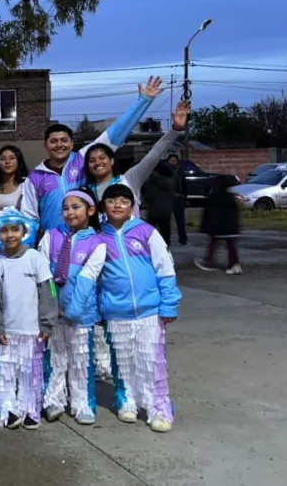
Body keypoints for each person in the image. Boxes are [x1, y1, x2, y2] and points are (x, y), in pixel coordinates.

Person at [25, 77, 162, 233]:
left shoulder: (84, 158)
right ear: (46, 145)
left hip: (87, 239)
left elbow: (117, 131)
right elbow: (29, 217)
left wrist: (143, 101)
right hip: (54, 242)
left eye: (64, 140)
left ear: (71, 143)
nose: (59, 145)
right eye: (53, 141)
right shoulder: (35, 177)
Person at [97, 184, 180, 433]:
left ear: (132, 206)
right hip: (115, 313)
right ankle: (126, 402)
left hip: (149, 311)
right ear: (103, 206)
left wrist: (168, 304)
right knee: (122, 361)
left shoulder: (146, 232)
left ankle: (159, 409)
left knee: (151, 360)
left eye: (124, 200)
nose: (118, 205)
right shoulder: (99, 236)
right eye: (112, 201)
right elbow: (95, 277)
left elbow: (165, 268)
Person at [0, 208, 57, 429]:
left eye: (15, 229)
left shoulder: (35, 258)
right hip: (7, 330)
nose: (10, 235)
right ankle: (8, 409)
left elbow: (49, 291)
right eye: (4, 230)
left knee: (31, 372)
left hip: (32, 329)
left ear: (24, 232)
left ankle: (31, 409)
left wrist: (47, 323)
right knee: (6, 371)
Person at [37, 190, 105, 425]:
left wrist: (73, 312)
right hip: (54, 313)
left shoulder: (97, 243)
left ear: (90, 210)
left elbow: (88, 280)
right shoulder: (51, 236)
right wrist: (51, 305)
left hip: (80, 315)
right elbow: (44, 274)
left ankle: (82, 403)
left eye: (76, 207)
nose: (70, 212)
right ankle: (53, 401)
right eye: (66, 208)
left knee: (80, 361)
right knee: (55, 358)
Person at [83, 100, 190, 216]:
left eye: (102, 158)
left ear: (112, 161)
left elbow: (153, 155)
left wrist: (174, 130)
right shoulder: (86, 192)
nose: (97, 162)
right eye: (92, 160)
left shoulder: (129, 180)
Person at [195, 175, 242, 275]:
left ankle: (208, 261)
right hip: (231, 227)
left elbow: (211, 213)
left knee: (213, 244)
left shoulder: (215, 197)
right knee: (231, 245)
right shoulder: (232, 197)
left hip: (219, 226)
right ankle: (234, 264)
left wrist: (209, 226)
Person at [0, 145, 37, 216]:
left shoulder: (26, 185)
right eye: (2, 159)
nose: (7, 162)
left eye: (12, 158)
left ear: (18, 161)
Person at [142, 162, 176, 246]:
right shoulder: (171, 181)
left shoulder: (152, 182)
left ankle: (150, 247)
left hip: (154, 210)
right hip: (166, 210)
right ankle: (166, 247)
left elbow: (148, 196)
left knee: (150, 232)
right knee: (165, 231)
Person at [166, 154, 189, 246]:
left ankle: (183, 239)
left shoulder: (180, 172)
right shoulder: (164, 172)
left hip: (179, 198)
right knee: (166, 221)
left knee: (180, 220)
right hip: (167, 199)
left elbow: (185, 185)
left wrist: (185, 197)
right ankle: (166, 239)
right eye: (171, 160)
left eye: (174, 160)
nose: (173, 162)